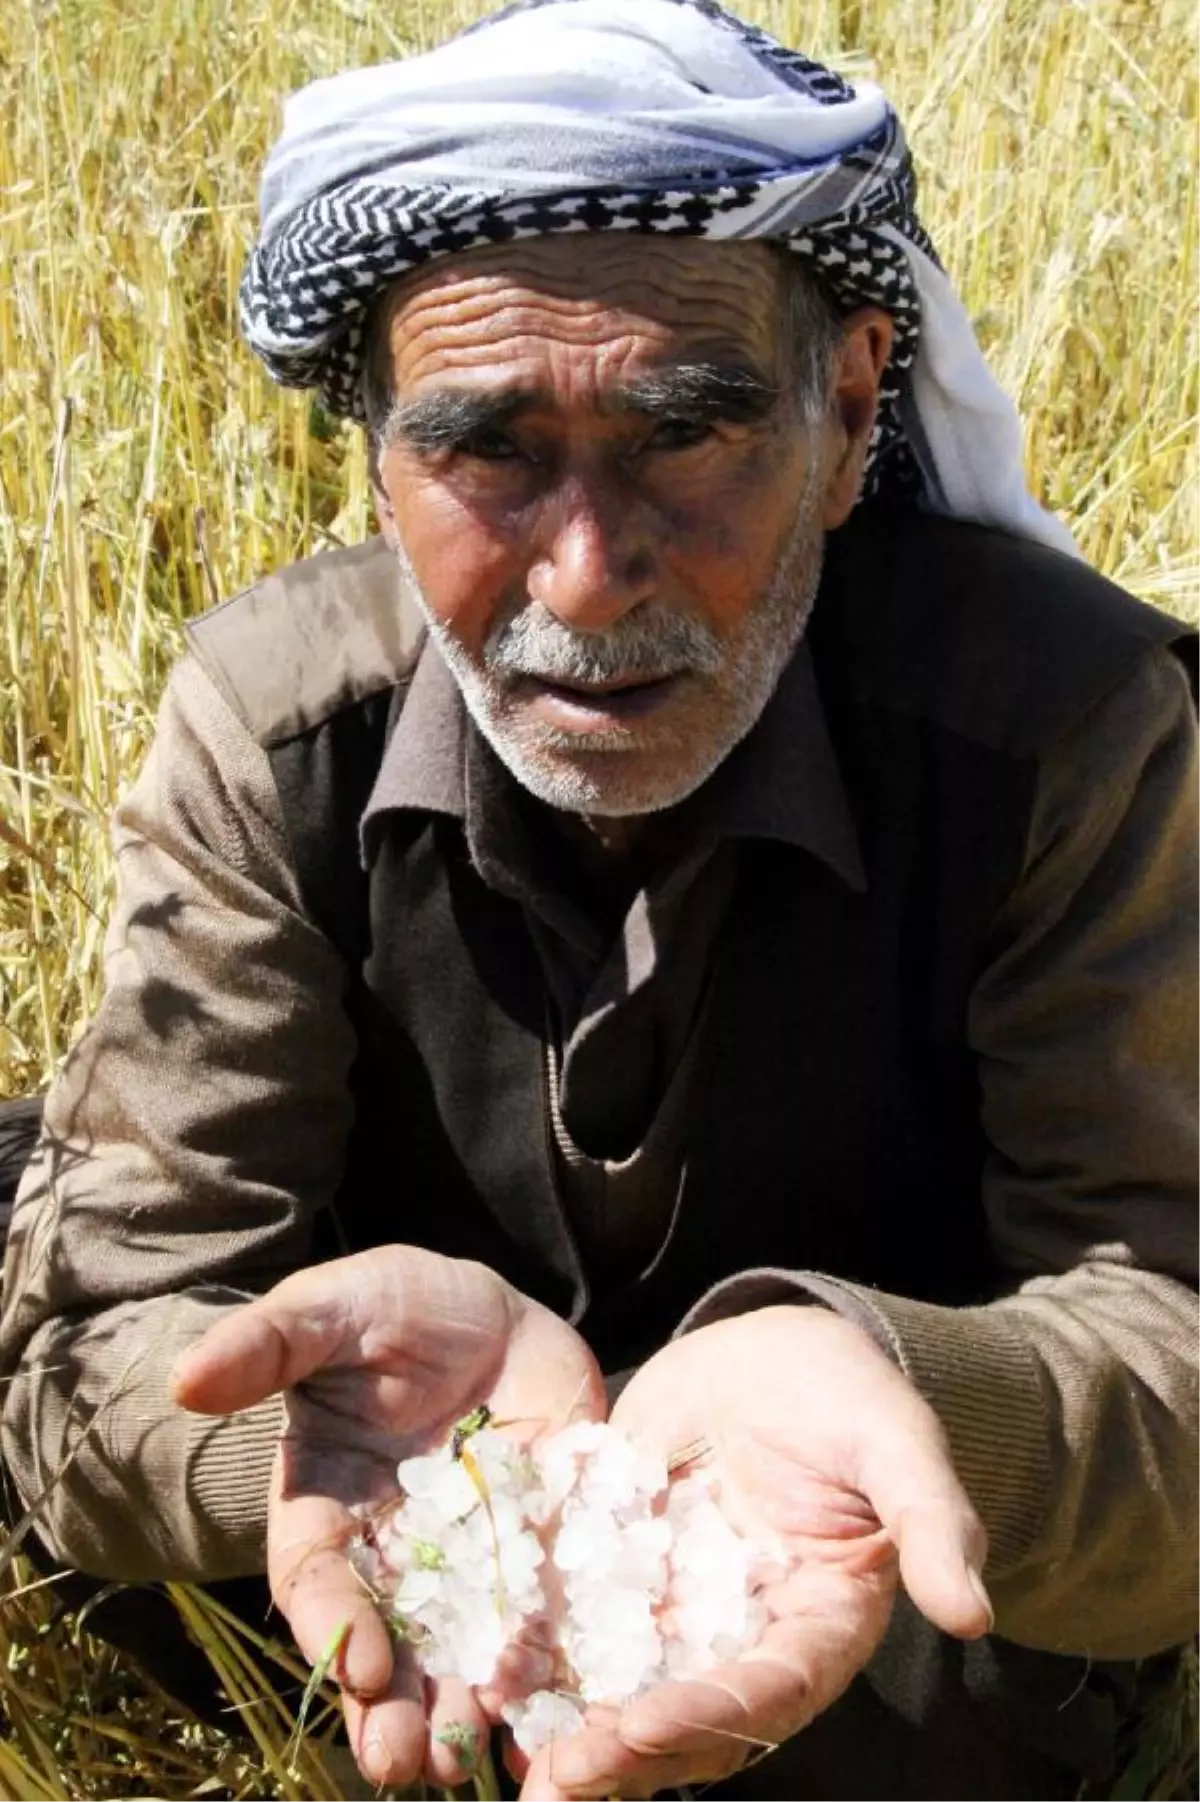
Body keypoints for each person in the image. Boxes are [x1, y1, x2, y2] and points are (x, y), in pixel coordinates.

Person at [2, 2, 1199, 1797]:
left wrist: (901, 1384)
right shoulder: (271, 724)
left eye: (685, 434)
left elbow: (1164, 1329)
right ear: (383, 461)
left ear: (854, 406)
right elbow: (107, 1335)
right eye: (486, 448)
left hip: (844, 1515)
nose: (587, 567)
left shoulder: (1063, 728)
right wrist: (369, 1462)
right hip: (428, 1456)